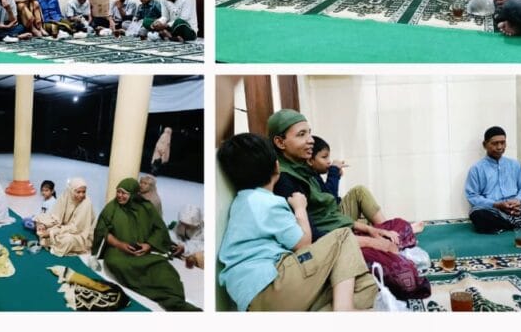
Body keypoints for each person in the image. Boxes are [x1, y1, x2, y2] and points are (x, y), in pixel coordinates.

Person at [217, 133, 377, 312]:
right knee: (343, 236)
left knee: (365, 285)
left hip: (252, 299)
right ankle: (343, 311)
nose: (309, 140)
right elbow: (303, 244)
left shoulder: (242, 201)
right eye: (302, 134)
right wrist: (300, 208)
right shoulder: (268, 201)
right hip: (270, 282)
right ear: (276, 164)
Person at [268, 110, 416, 249]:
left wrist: (369, 230)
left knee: (397, 228)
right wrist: (370, 242)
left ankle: (392, 235)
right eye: (301, 134)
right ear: (280, 142)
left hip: (338, 231)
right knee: (385, 252)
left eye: (309, 133)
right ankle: (396, 238)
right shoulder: (285, 180)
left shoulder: (302, 168)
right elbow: (315, 236)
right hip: (328, 243)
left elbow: (330, 210)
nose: (311, 140)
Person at [92, 177, 200, 311]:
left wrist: (148, 245)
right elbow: (103, 231)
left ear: (133, 194)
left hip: (144, 252)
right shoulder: (111, 208)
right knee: (116, 263)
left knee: (164, 269)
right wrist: (120, 245)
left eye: (124, 193)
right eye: (118, 192)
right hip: (118, 251)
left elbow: (159, 230)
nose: (120, 196)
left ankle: (174, 300)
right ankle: (155, 293)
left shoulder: (146, 207)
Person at [36, 177, 96, 256]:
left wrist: (52, 232)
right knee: (40, 220)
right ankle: (50, 238)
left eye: (83, 192)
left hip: (79, 235)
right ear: (71, 190)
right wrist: (44, 225)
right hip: (64, 227)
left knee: (66, 240)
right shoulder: (65, 196)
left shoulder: (86, 203)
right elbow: (55, 217)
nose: (81, 195)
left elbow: (76, 228)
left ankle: (53, 242)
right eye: (78, 192)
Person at [169, 204, 204, 268]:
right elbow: (174, 234)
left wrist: (184, 248)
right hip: (183, 249)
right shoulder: (180, 224)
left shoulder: (204, 229)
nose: (185, 227)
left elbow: (201, 246)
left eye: (188, 225)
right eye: (183, 224)